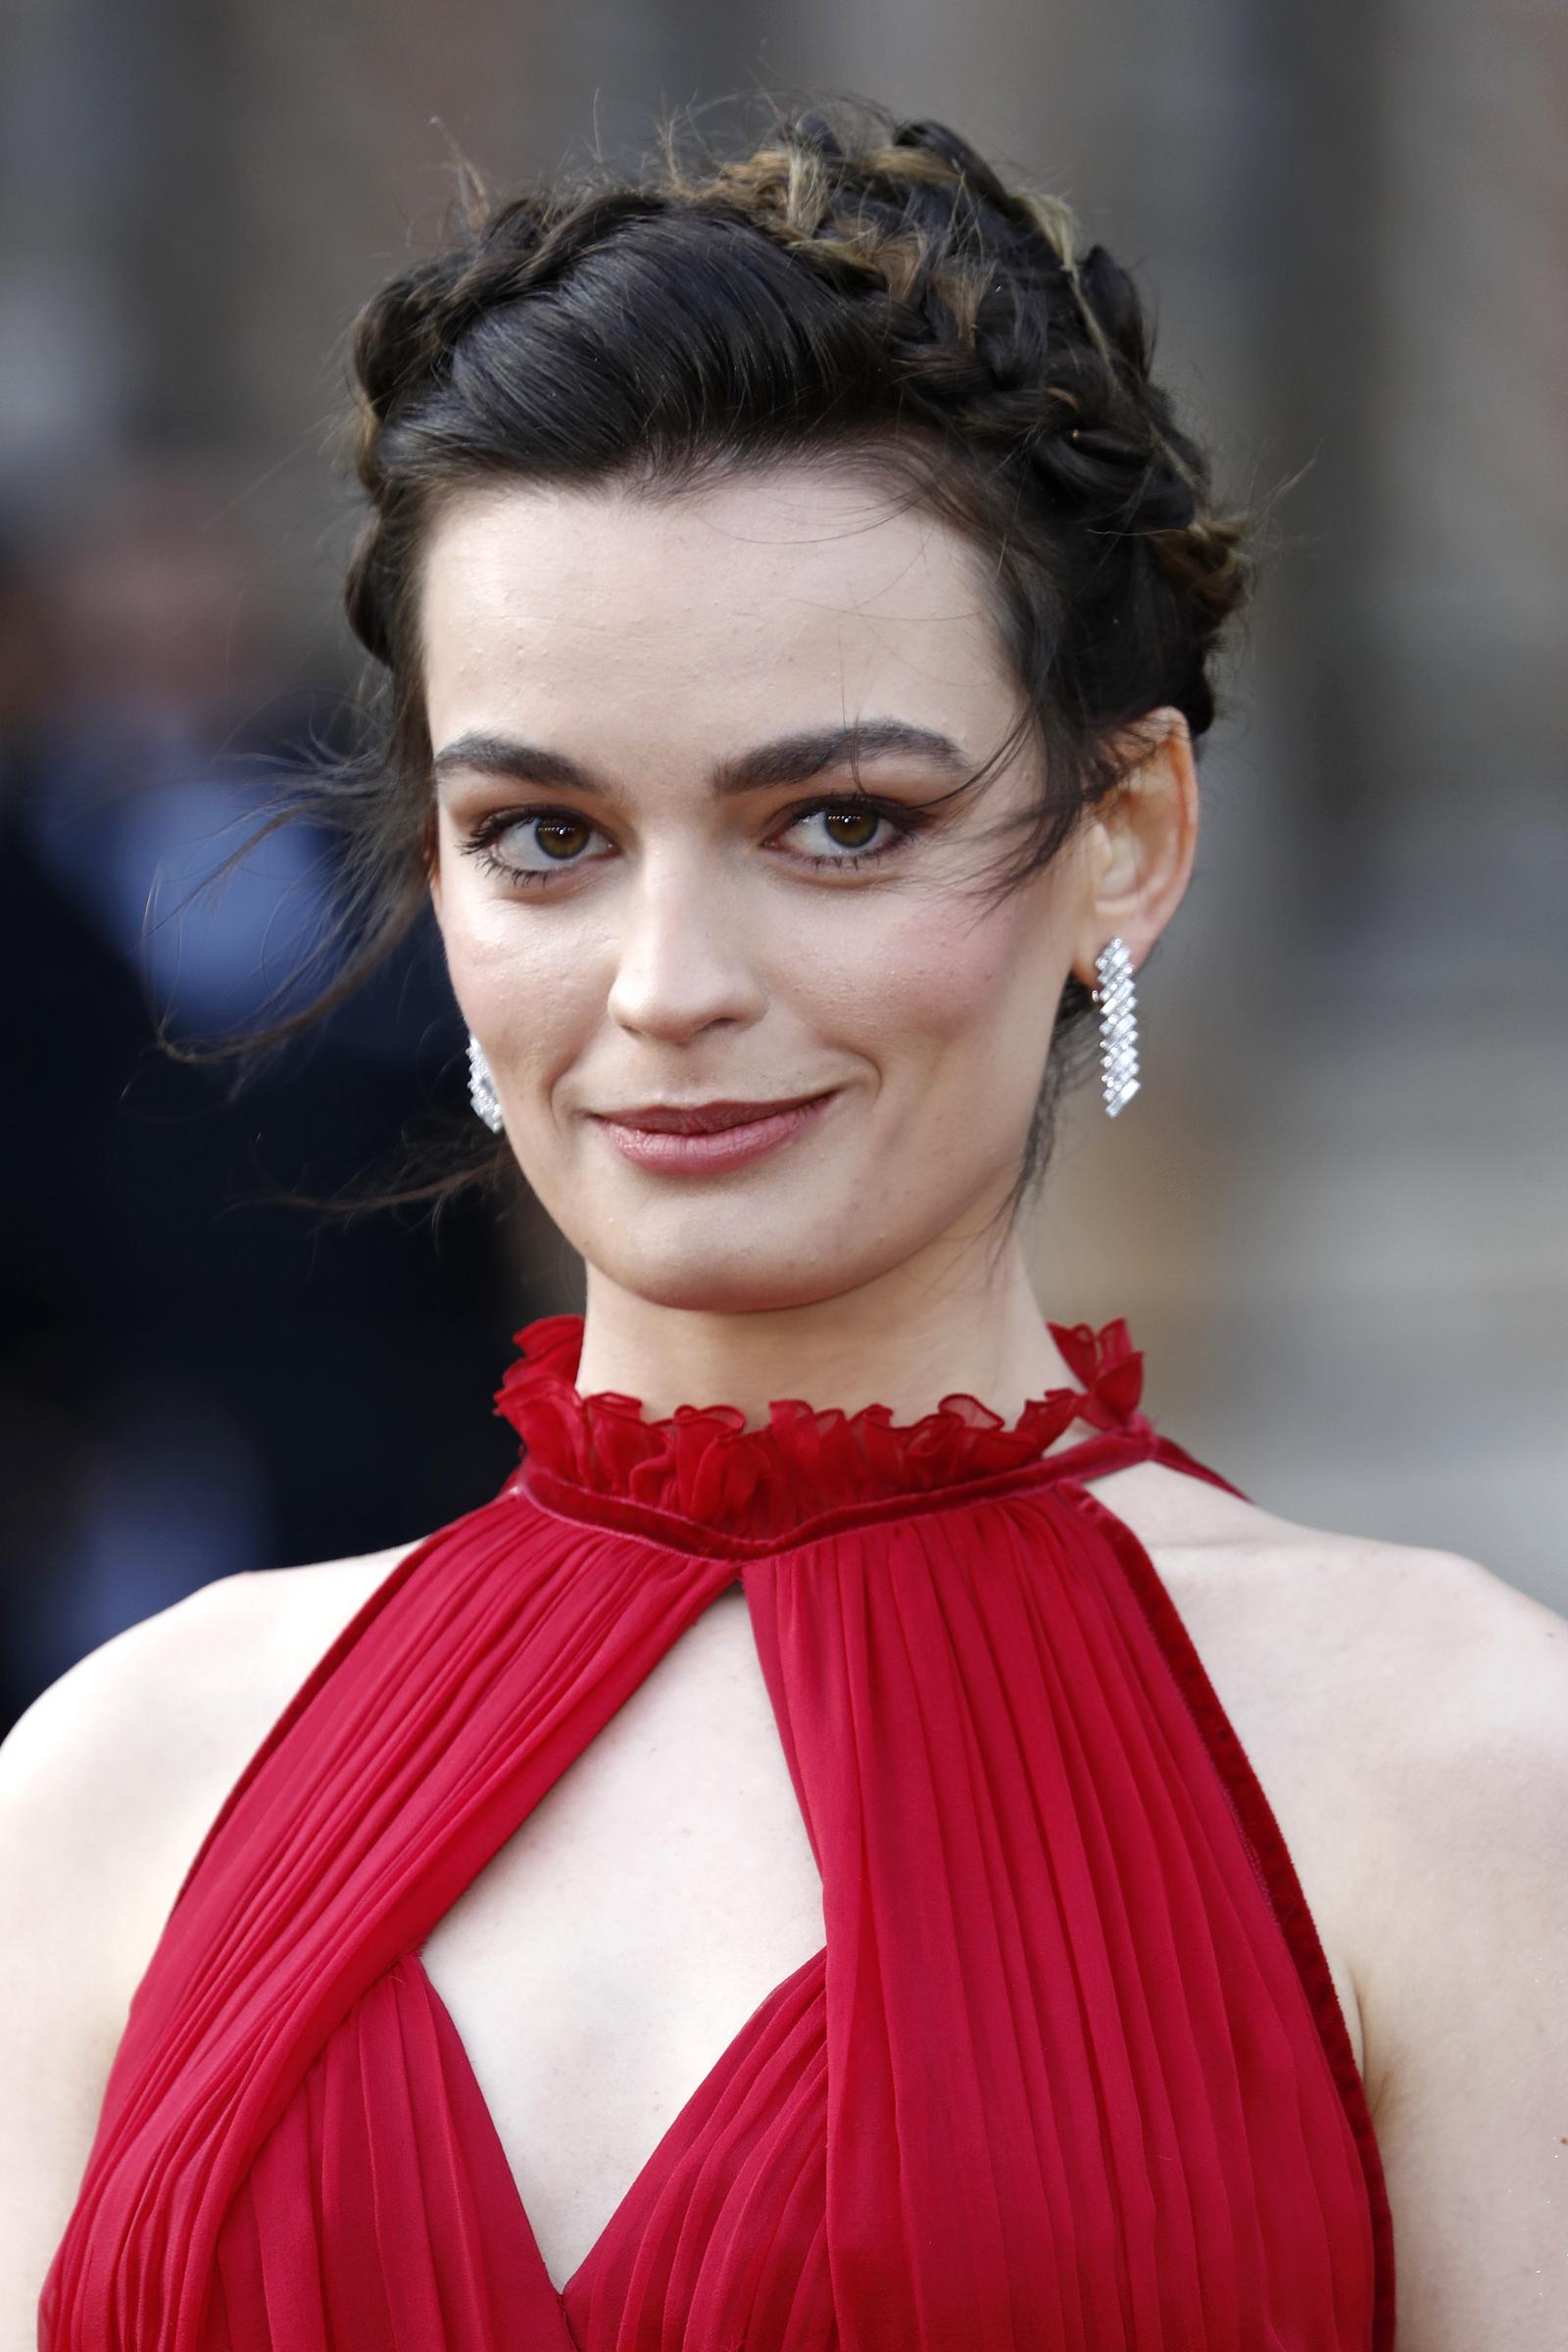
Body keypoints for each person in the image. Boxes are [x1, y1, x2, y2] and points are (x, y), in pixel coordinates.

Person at [5, 96, 1564, 2352]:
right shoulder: (123, 1779)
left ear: (1121, 836)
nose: (666, 988)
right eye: (543, 836)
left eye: (835, 821)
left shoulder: (1465, 1776)